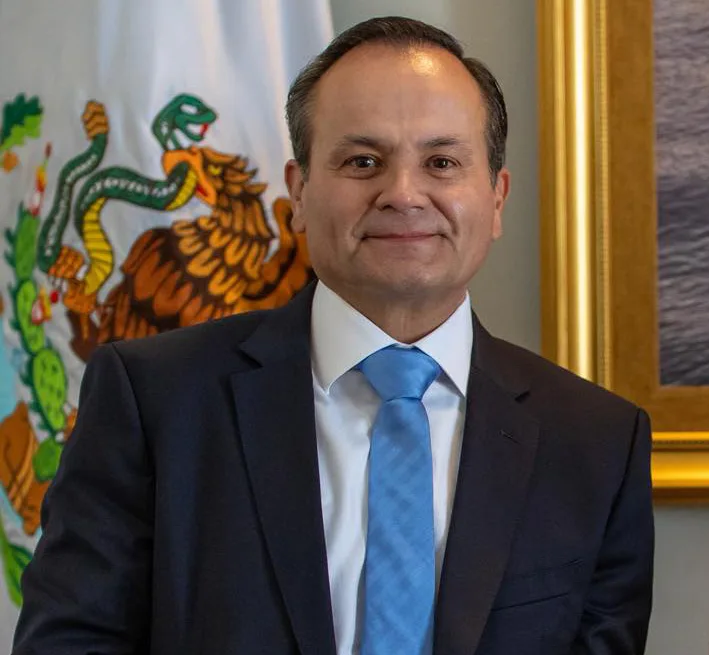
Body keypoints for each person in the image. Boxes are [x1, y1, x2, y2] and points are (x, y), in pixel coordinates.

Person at [14, 16, 653, 655]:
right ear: (298, 191)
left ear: (496, 199)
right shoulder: (154, 402)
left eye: (442, 162)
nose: (403, 193)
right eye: (363, 160)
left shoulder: (595, 443)